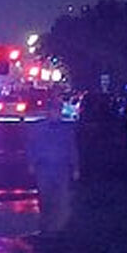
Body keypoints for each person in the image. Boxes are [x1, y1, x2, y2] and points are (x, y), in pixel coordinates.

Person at [26, 95, 81, 237]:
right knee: (45, 196)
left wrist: (75, 167)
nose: (56, 113)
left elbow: (72, 147)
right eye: (54, 110)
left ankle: (58, 227)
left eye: (58, 110)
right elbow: (31, 146)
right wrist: (31, 163)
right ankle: (46, 223)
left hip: (61, 167)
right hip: (43, 166)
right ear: (49, 111)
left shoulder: (66, 129)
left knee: (61, 197)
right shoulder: (38, 128)